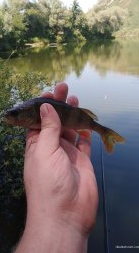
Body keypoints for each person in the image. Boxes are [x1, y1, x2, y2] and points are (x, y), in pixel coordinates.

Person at [14, 82, 98, 253]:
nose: (12, 117)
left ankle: (103, 132)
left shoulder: (39, 112)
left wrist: (63, 224)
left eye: (15, 114)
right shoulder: (34, 112)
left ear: (29, 113)